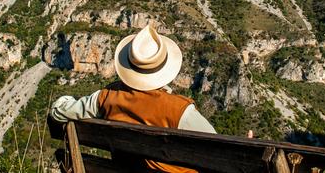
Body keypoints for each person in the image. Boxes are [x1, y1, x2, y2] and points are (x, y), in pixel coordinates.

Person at [51, 23, 216, 172]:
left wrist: (64, 99)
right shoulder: (179, 111)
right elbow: (217, 150)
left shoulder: (107, 97)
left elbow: (58, 112)